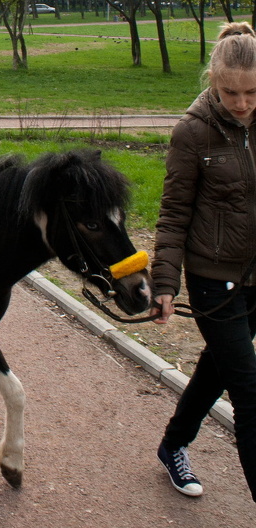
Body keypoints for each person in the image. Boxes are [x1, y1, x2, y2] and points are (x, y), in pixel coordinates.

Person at [150, 21, 256, 503]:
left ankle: (173, 444)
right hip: (215, 279)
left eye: (252, 92)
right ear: (213, 81)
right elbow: (173, 213)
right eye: (231, 92)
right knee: (249, 392)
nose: (243, 104)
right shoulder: (192, 132)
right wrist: (165, 282)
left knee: (220, 368)